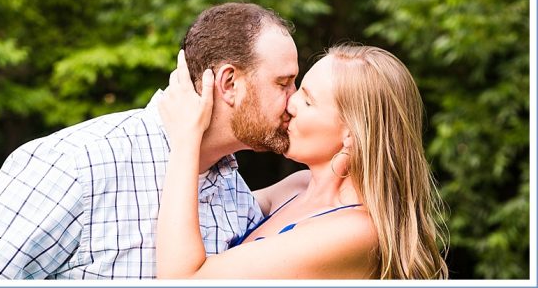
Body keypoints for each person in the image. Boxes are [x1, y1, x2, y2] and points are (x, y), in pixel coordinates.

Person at [0, 2, 299, 279]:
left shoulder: (235, 191)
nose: (294, 99)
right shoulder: (79, 162)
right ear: (229, 83)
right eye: (283, 83)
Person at [157, 44, 449, 279]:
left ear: (352, 135)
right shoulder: (297, 187)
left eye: (308, 100)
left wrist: (186, 139)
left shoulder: (357, 232)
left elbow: (183, 282)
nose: (290, 103)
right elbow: (206, 209)